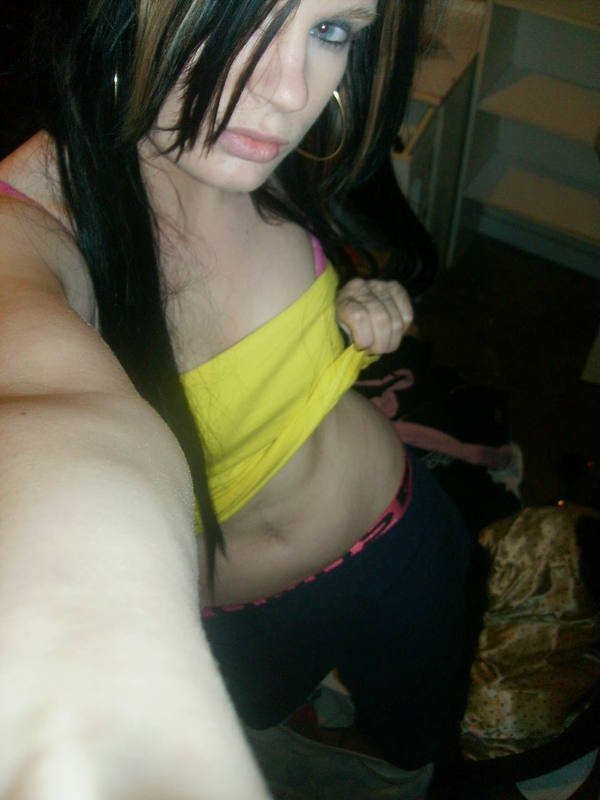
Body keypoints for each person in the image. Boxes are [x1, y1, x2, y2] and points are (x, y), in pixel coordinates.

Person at [0, 0, 470, 797]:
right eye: (240, 11)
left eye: (330, 31)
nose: (291, 91)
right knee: (271, 726)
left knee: (421, 737)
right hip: (243, 621)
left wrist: (353, 304)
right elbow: (46, 421)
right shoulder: (33, 232)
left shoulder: (268, 149)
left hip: (401, 531)